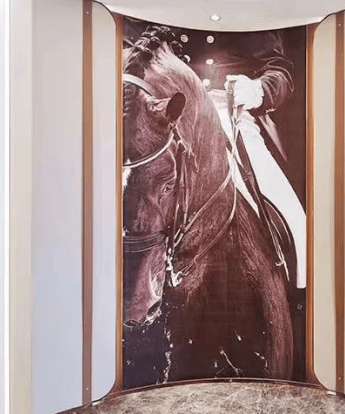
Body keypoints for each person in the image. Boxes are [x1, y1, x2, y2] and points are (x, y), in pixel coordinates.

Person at [125, 19, 307, 289]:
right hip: (157, 111)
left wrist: (258, 89)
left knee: (295, 221)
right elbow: (128, 45)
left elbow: (278, 70)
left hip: (225, 109)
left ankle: (298, 298)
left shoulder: (250, 7)